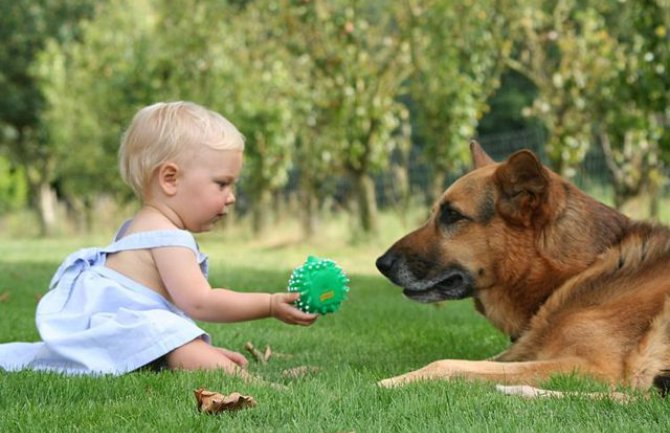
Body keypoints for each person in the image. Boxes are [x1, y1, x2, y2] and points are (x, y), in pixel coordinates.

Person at [0, 101, 317, 379]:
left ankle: (197, 356)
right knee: (176, 341)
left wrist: (196, 345)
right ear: (170, 179)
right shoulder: (169, 238)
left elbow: (166, 315)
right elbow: (199, 302)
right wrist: (270, 303)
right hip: (124, 329)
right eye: (221, 184)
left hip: (115, 331)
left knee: (177, 340)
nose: (231, 197)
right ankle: (256, 384)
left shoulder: (137, 226)